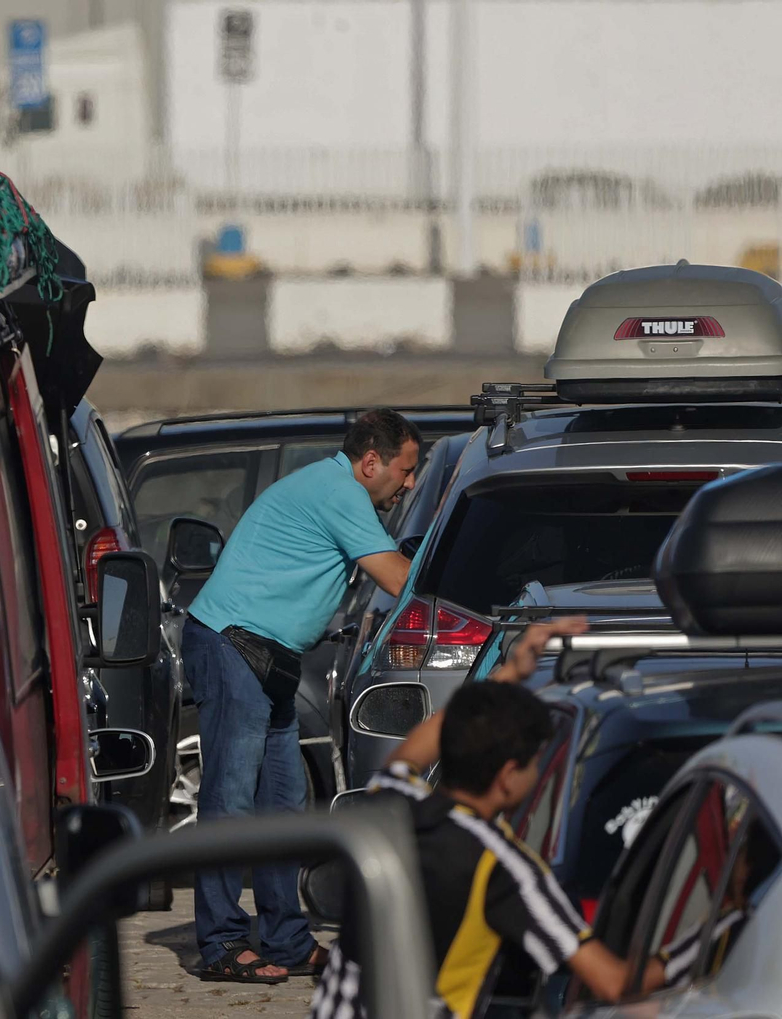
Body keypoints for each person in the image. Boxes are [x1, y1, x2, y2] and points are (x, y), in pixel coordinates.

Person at [309, 617, 664, 1019]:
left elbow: (418, 745)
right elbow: (615, 983)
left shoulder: (393, 803)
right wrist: (701, 942)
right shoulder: (506, 868)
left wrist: (510, 674)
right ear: (508, 776)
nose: (537, 773)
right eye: (534, 763)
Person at [188, 409, 421, 983]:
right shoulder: (340, 492)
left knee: (284, 803)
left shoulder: (336, 488)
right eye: (406, 469)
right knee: (231, 800)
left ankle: (287, 940)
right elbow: (399, 579)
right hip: (234, 643)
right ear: (371, 462)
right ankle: (220, 943)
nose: (410, 482)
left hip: (271, 655)